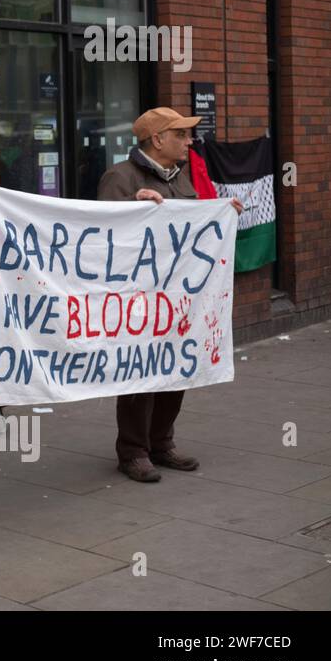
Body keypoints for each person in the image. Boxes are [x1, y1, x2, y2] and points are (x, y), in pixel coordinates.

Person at [98, 107, 242, 483]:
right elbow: (101, 234)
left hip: (177, 297)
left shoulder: (182, 176)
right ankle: (132, 451)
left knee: (175, 368)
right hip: (137, 300)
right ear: (158, 139)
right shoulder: (120, 177)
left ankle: (161, 444)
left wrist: (219, 215)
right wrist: (132, 206)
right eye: (181, 135)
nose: (189, 141)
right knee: (140, 373)